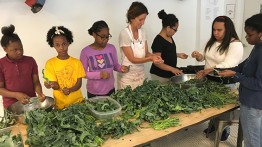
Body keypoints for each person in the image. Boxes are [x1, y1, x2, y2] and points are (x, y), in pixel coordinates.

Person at [191, 16, 244, 141]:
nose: (215, 33)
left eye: (219, 30)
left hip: (225, 82)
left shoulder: (235, 44)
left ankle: (225, 130)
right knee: (212, 106)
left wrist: (210, 69)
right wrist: (198, 55)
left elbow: (228, 65)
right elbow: (204, 57)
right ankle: (214, 126)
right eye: (214, 30)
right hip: (209, 80)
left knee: (223, 108)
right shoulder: (212, 41)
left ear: (228, 29)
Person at [218, 13, 262, 147]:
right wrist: (229, 70)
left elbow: (259, 83)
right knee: (256, 137)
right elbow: (245, 65)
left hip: (252, 104)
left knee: (252, 141)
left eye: (250, 35)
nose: (246, 37)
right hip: (252, 102)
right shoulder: (257, 47)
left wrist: (235, 75)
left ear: (261, 33)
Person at [117, 1, 164, 89]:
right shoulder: (124, 34)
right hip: (128, 77)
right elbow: (132, 59)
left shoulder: (142, 33)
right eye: (140, 19)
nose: (143, 23)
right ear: (131, 18)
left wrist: (154, 56)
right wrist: (151, 58)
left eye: (144, 19)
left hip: (141, 76)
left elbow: (146, 53)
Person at [0, 24, 45, 109]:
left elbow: (36, 82)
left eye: (21, 48)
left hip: (31, 104)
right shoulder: (1, 64)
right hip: (11, 107)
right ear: (5, 49)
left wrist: (40, 93)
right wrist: (16, 95)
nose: (19, 52)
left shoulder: (30, 61)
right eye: (15, 50)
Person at [80, 20, 129, 98]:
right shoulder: (85, 52)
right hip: (94, 92)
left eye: (107, 36)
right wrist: (100, 75)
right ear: (94, 35)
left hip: (110, 90)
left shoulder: (111, 48)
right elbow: (82, 73)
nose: (105, 39)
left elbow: (115, 65)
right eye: (102, 37)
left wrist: (121, 68)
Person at [44, 26, 85, 109]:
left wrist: (70, 90)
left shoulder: (77, 62)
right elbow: (54, 84)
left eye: (64, 44)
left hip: (78, 103)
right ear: (53, 45)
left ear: (68, 43)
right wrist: (50, 84)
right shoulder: (50, 63)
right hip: (60, 105)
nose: (61, 48)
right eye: (57, 45)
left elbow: (79, 84)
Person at [150, 9, 188, 83]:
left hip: (169, 75)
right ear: (168, 28)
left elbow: (166, 53)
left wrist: (178, 55)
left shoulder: (169, 37)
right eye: (175, 30)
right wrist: (173, 69)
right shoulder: (158, 41)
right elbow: (157, 62)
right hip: (159, 76)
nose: (175, 32)